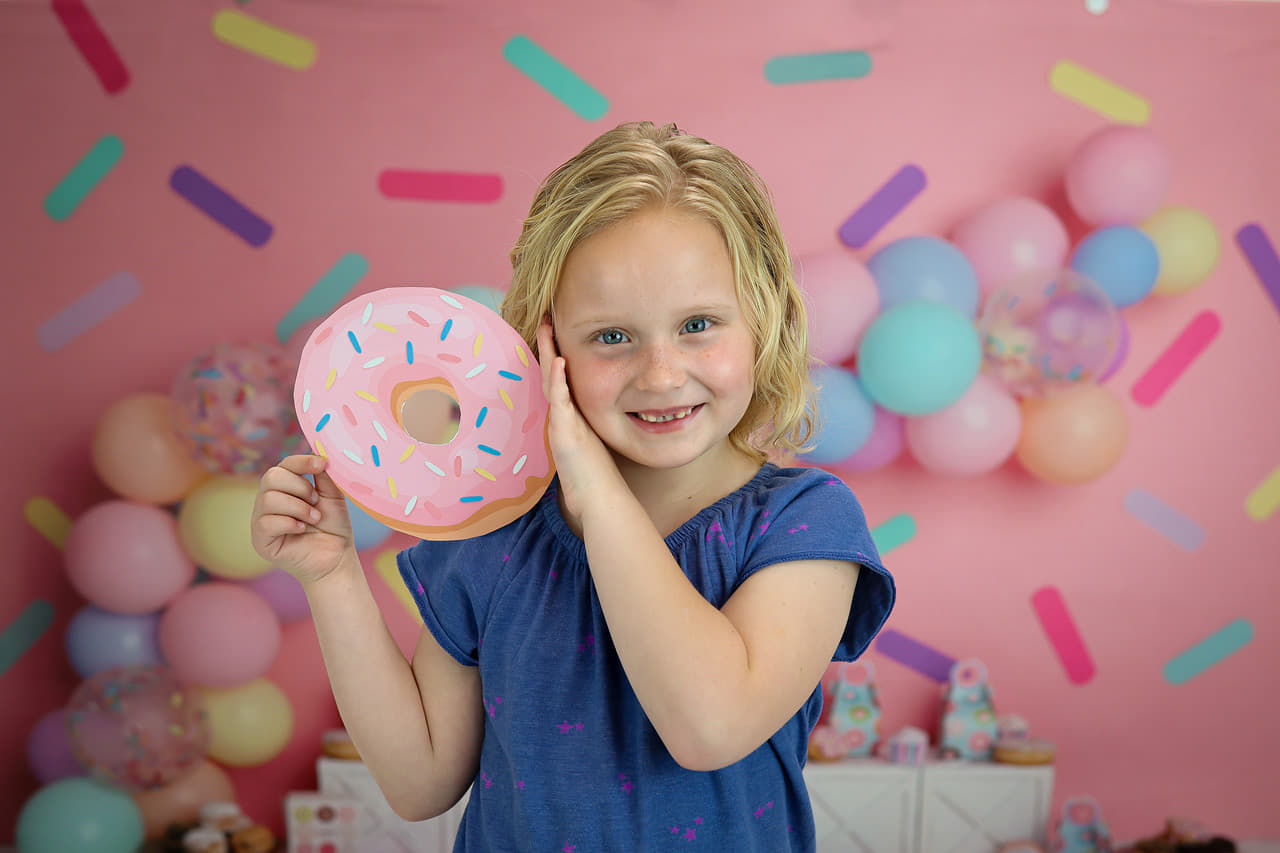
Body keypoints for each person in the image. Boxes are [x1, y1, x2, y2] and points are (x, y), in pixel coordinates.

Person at [250, 120, 895, 851]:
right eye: (611, 337)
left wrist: (598, 494)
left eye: (698, 324)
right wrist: (332, 576)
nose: (660, 373)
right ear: (544, 342)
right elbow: (418, 780)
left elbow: (708, 725)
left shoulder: (803, 524)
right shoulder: (496, 529)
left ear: (764, 319)